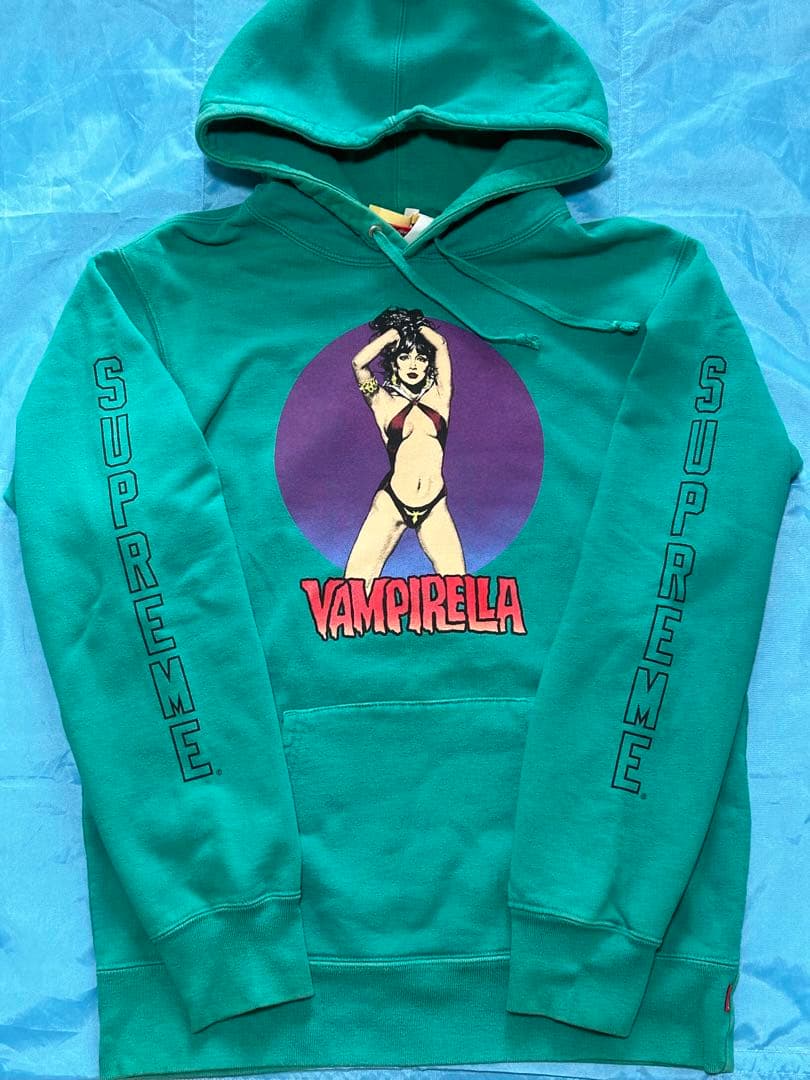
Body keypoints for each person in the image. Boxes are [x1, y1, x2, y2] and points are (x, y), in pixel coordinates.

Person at [344, 306, 466, 589]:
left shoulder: (441, 396)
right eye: (404, 357)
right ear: (394, 363)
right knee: (353, 589)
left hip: (434, 505)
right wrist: (392, 336)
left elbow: (441, 344)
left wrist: (413, 326)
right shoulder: (381, 401)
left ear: (428, 364)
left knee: (461, 591)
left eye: (420, 358)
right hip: (392, 504)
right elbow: (358, 365)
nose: (412, 365)